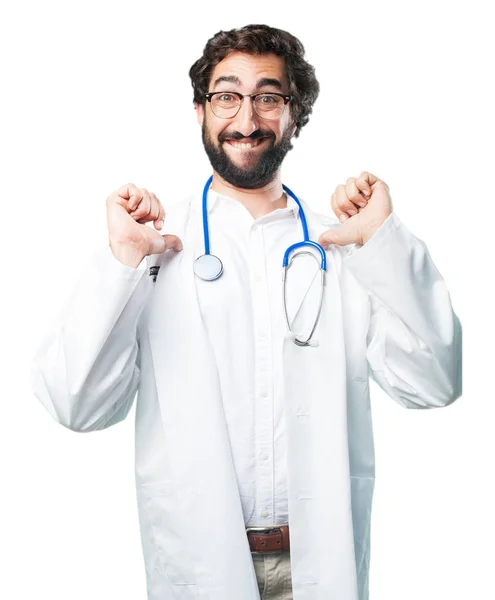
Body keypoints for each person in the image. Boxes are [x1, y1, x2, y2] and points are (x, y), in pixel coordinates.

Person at [30, 23, 462, 600]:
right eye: (227, 95)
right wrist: (122, 261)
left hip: (318, 562)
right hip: (201, 564)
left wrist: (383, 240)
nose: (247, 118)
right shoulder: (154, 245)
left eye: (269, 97)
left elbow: (434, 384)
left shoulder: (343, 249)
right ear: (201, 109)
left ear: (294, 114)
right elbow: (75, 405)